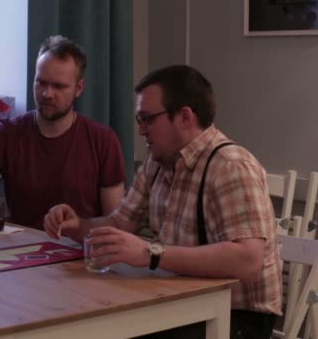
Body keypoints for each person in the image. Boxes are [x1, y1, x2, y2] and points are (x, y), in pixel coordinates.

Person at [44, 65, 282, 338]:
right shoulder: (158, 163)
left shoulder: (230, 166)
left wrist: (151, 253)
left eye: (148, 119)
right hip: (181, 302)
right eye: (139, 120)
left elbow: (248, 262)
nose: (142, 130)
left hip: (236, 318)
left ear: (184, 117)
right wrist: (79, 226)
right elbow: (121, 222)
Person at [0, 35, 127, 230]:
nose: (47, 94)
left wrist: (79, 229)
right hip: (22, 253)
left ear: (79, 88)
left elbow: (114, 224)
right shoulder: (5, 134)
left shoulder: (102, 141)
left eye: (59, 86)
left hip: (80, 253)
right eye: (41, 83)